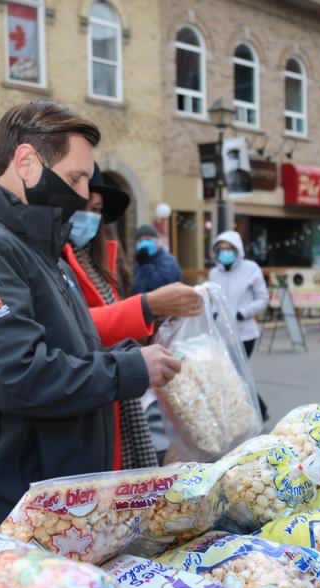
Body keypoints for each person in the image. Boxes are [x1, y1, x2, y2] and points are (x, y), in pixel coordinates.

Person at [0, 101, 181, 529]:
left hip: (55, 504)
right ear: (26, 163)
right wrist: (129, 370)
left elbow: (70, 345)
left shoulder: (41, 250)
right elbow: (18, 374)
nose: (83, 193)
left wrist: (132, 353)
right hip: (8, 512)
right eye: (75, 178)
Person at [63, 165, 203, 469]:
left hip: (117, 394)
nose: (88, 217)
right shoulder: (52, 262)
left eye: (96, 210)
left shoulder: (100, 261)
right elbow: (73, 327)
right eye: (80, 206)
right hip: (85, 402)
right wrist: (147, 306)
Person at [209, 230, 269, 420]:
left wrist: (243, 313)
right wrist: (212, 314)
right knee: (232, 374)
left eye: (229, 249)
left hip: (245, 333)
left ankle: (256, 412)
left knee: (236, 373)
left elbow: (262, 299)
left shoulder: (251, 269)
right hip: (221, 334)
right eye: (221, 249)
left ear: (238, 250)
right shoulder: (214, 273)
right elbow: (212, 299)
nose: (225, 253)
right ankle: (248, 412)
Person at [133, 224, 182, 294]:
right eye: (140, 241)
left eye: (148, 239)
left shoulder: (168, 261)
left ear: (158, 241)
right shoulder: (141, 262)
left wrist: (146, 265)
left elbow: (161, 287)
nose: (144, 243)